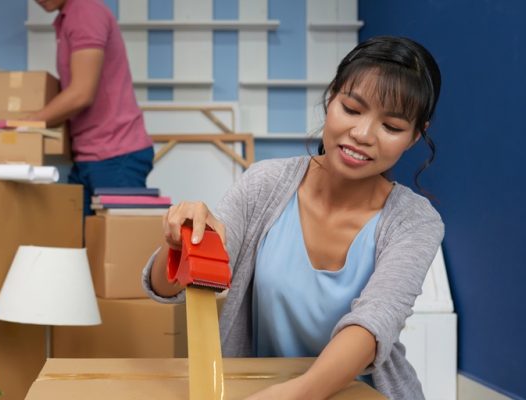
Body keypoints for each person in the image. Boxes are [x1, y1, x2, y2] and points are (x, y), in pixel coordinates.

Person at [142, 36, 443, 400]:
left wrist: (298, 394)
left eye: (391, 127)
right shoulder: (264, 185)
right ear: (331, 98)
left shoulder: (415, 221)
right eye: (351, 109)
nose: (362, 135)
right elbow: (172, 290)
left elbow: (374, 323)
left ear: (414, 137)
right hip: (260, 388)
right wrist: (180, 245)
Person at [29, 0, 154, 215]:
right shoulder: (69, 17)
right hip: (91, 154)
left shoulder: (84, 12)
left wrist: (27, 123)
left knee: (122, 244)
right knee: (83, 242)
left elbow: (81, 93)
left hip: (115, 152)